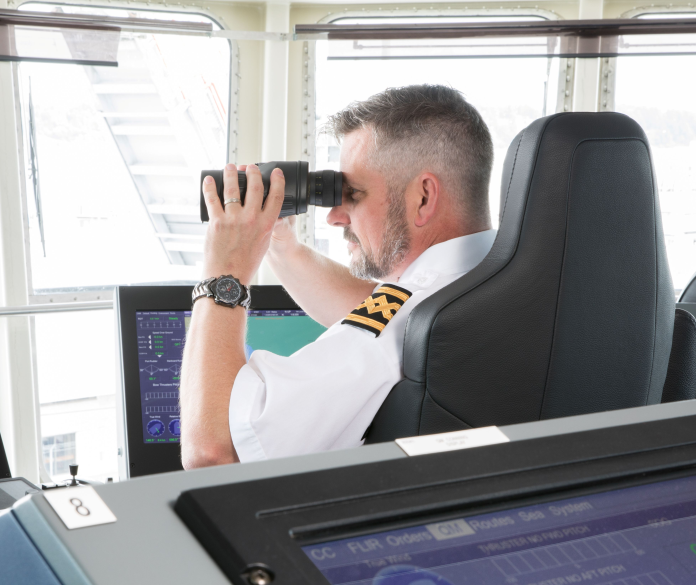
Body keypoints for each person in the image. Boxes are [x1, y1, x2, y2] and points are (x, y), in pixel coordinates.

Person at [181, 84, 497, 468]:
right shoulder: (501, 276)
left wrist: (223, 272)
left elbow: (216, 451)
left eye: (355, 194)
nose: (333, 216)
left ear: (424, 197)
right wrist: (278, 244)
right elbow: (381, 306)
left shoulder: (401, 324)